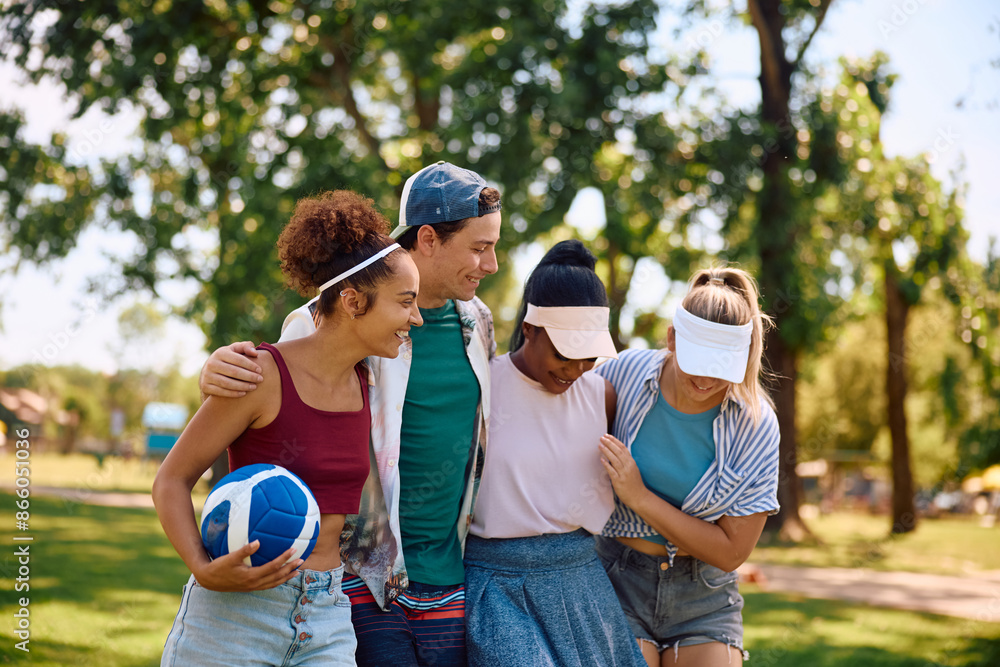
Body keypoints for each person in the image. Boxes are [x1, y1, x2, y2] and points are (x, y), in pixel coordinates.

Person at [198, 161, 502, 666]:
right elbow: (274, 385)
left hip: (449, 577)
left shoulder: (480, 324)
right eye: (478, 247)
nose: (490, 264)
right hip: (362, 576)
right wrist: (215, 371)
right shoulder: (331, 314)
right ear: (428, 238)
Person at [153, 190, 422, 666]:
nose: (415, 318)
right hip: (236, 613)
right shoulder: (259, 375)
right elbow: (171, 480)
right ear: (354, 301)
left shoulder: (371, 382)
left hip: (327, 612)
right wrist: (203, 568)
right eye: (405, 302)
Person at [464, 240, 646, 667]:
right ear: (529, 328)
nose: (575, 370)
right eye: (565, 354)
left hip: (582, 582)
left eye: (588, 358)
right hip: (497, 585)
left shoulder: (601, 395)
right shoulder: (483, 386)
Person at [595, 267, 780, 667]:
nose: (707, 378)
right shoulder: (623, 374)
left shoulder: (757, 424)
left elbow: (732, 552)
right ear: (672, 337)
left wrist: (640, 497)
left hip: (705, 595)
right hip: (617, 580)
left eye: (722, 365)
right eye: (698, 360)